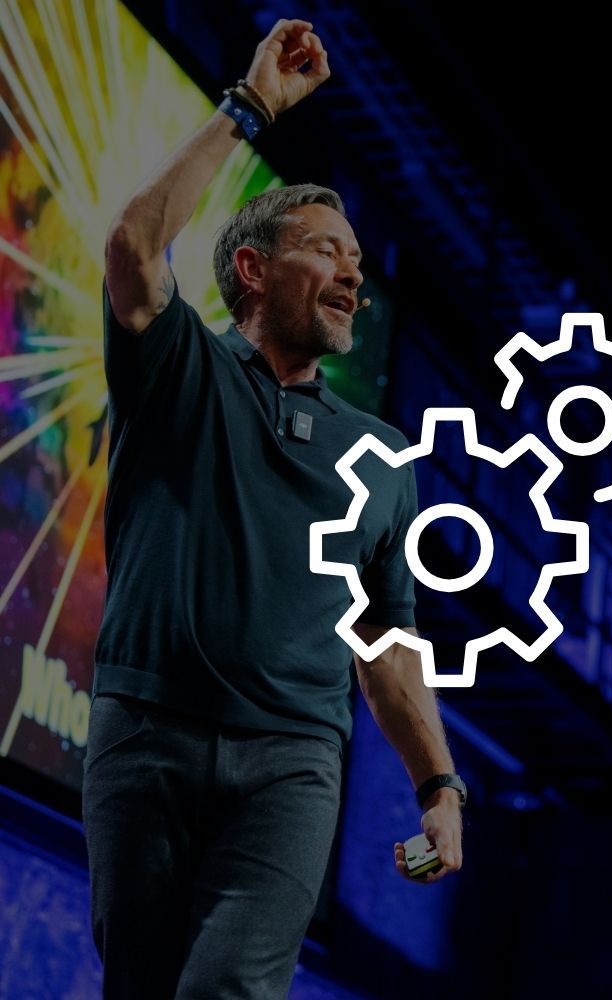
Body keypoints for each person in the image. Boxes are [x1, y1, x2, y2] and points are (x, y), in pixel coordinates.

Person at [82, 18, 465, 999]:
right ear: (252, 271)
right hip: (146, 735)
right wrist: (249, 107)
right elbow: (133, 247)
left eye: (357, 260)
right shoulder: (180, 369)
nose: (353, 274)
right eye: (326, 251)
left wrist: (438, 784)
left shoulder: (382, 458)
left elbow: (386, 642)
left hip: (292, 764)